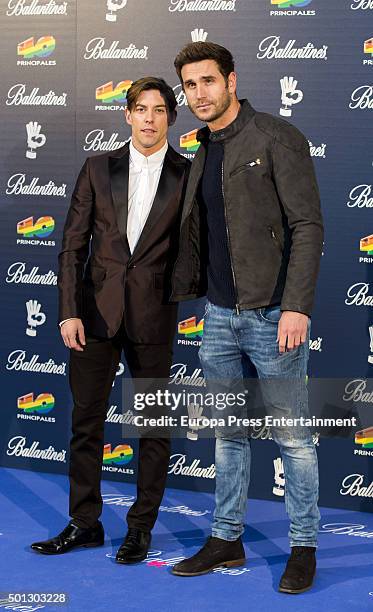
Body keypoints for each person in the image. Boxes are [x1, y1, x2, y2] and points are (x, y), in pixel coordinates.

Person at [169, 42, 323, 593]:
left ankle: (303, 548)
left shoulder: (277, 137)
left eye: (208, 81)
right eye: (189, 86)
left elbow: (307, 225)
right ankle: (226, 538)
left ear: (231, 81)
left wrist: (297, 305)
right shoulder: (203, 148)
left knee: (294, 439)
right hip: (217, 317)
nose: (199, 94)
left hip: (273, 315)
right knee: (229, 436)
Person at [30, 77, 190, 564]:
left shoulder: (189, 174)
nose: (148, 118)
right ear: (126, 114)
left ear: (170, 118)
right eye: (140, 109)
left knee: (153, 428)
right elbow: (71, 246)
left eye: (159, 110)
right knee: (85, 424)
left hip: (155, 316)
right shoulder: (98, 168)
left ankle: (140, 528)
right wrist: (68, 312)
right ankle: (84, 522)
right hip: (94, 316)